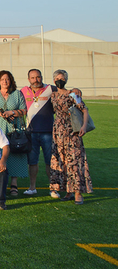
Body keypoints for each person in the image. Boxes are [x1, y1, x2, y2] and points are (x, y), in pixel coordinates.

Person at [48, 70, 92, 204]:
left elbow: (84, 110)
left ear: (66, 80)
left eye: (62, 78)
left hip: (72, 131)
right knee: (63, 162)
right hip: (58, 132)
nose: (59, 80)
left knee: (74, 161)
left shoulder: (73, 94)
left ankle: (78, 192)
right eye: (57, 78)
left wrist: (84, 126)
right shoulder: (53, 95)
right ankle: (68, 191)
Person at [0, 70, 27, 196]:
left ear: (11, 81)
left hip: (14, 129)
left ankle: (14, 184)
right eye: (2, 79)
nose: (5, 81)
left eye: (7, 79)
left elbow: (24, 110)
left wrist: (12, 112)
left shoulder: (17, 94)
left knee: (15, 154)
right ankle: (1, 183)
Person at [20, 68, 56, 197]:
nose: (36, 80)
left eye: (38, 77)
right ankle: (32, 187)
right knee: (32, 162)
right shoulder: (23, 91)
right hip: (31, 132)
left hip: (48, 131)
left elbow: (64, 93)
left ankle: (53, 188)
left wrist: (74, 90)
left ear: (41, 77)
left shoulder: (51, 89)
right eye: (33, 78)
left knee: (50, 161)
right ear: (29, 79)